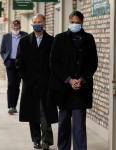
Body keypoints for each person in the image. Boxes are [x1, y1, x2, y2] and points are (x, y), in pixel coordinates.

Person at [49, 11, 98, 150]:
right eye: (73, 22)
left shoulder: (89, 38)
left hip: (81, 89)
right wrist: (69, 80)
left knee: (79, 126)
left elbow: (93, 63)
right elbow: (54, 63)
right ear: (69, 21)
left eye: (78, 22)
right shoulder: (59, 39)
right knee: (63, 123)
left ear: (82, 22)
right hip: (64, 88)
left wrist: (81, 80)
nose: (75, 24)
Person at [15, 14, 57, 150]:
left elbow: (55, 63)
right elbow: (19, 63)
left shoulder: (52, 41)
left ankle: (47, 140)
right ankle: (36, 139)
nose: (37, 24)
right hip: (30, 84)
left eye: (40, 22)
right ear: (32, 24)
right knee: (33, 114)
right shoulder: (24, 41)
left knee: (45, 113)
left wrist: (51, 80)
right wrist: (26, 78)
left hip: (46, 84)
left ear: (44, 23)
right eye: (35, 22)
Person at [0, 19, 28, 115]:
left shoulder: (25, 35)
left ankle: (15, 105)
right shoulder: (6, 36)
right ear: (11, 27)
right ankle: (11, 106)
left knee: (17, 84)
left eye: (18, 27)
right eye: (14, 27)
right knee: (11, 84)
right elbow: (2, 50)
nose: (16, 29)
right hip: (10, 63)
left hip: (20, 63)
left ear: (20, 27)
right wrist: (6, 60)